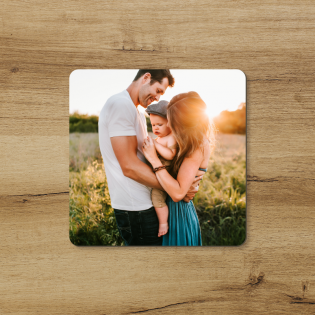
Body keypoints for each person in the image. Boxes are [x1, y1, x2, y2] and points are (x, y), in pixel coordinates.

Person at [98, 70, 202, 246]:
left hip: (146, 203)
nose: (158, 97)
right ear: (146, 77)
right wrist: (177, 189)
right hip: (136, 208)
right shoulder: (120, 104)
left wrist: (179, 186)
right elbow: (129, 166)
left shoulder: (136, 112)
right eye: (158, 90)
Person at [143, 92, 214, 246]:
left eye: (172, 121)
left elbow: (178, 193)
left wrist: (154, 159)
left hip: (178, 213)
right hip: (173, 209)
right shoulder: (187, 141)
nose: (170, 126)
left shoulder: (197, 145)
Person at [145, 101, 178, 237]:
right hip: (157, 173)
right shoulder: (160, 138)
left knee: (157, 198)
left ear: (170, 123)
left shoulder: (171, 138)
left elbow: (170, 155)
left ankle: (163, 223)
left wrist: (155, 144)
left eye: (160, 124)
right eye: (153, 125)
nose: (156, 128)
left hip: (165, 175)